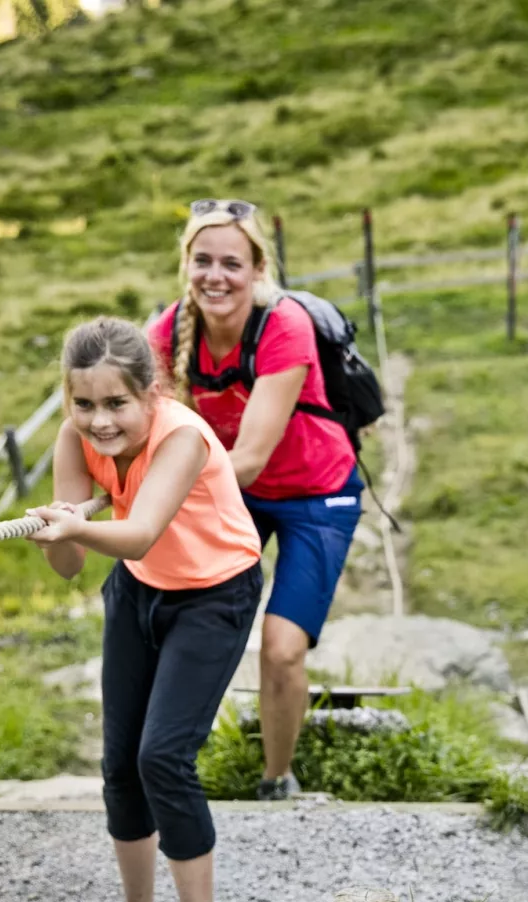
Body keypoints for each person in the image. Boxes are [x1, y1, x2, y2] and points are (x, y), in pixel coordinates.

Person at [30, 317, 263, 902]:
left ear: (149, 393)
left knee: (162, 756)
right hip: (139, 590)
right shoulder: (72, 438)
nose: (99, 420)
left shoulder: (181, 437)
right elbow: (69, 565)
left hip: (214, 595)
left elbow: (137, 535)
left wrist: (76, 523)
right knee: (121, 761)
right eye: (84, 404)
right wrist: (57, 531)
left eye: (116, 403)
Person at [147, 198, 362, 801]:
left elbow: (249, 459)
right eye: (203, 260)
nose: (216, 276)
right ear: (186, 265)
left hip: (316, 494)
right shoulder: (165, 332)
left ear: (258, 270)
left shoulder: (283, 325)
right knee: (188, 620)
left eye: (232, 264)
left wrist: (158, 493)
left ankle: (276, 779)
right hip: (235, 494)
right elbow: (142, 431)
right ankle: (169, 761)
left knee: (282, 648)